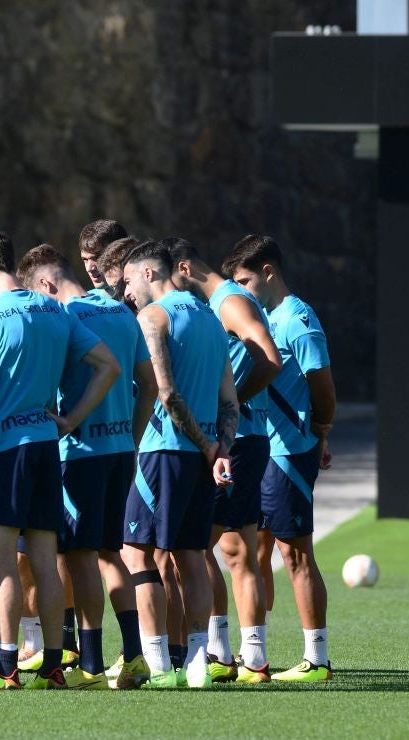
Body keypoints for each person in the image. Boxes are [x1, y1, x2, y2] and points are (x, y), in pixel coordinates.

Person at [0, 229, 120, 691]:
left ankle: (6, 667)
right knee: (46, 561)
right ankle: (52, 665)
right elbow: (108, 365)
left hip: (4, 452)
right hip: (47, 446)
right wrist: (70, 419)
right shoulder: (54, 311)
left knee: (4, 562)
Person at [17, 243, 154, 690]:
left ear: (46, 284)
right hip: (118, 451)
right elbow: (149, 385)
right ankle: (133, 656)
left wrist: (69, 421)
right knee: (111, 554)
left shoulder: (64, 318)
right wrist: (130, 440)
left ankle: (91, 665)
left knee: (78, 559)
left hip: (78, 454)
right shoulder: (120, 312)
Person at [119, 240, 238, 689]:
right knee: (191, 554)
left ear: (150, 274)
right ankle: (197, 662)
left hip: (163, 452)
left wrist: (207, 445)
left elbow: (166, 394)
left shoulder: (154, 318)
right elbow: (231, 401)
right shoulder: (211, 318)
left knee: (136, 552)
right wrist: (218, 449)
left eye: (129, 279)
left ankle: (157, 665)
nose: (126, 289)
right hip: (202, 457)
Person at [165, 237, 282, 684]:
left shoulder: (229, 301)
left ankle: (228, 654)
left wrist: (229, 407)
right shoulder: (222, 301)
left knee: (198, 548)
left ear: (182, 267)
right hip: (244, 441)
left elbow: (269, 359)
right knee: (233, 551)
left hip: (240, 442)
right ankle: (246, 657)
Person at [225, 234, 336, 683]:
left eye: (245, 280)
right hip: (262, 449)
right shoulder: (264, 317)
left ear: (268, 272)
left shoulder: (297, 320)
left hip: (289, 451)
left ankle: (317, 659)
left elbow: (323, 388)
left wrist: (321, 432)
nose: (240, 290)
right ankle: (256, 654)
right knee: (258, 548)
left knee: (296, 554)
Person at [78, 220, 129, 294]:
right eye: (85, 260)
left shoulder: (148, 298)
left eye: (96, 258)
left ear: (122, 253)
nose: (89, 268)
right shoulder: (85, 302)